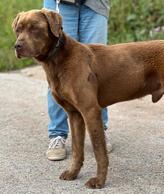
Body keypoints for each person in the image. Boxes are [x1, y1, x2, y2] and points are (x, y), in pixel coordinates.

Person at [43, 0, 112, 161]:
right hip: (59, 2)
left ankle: (100, 128)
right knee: (57, 69)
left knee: (98, 68)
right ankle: (57, 134)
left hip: (95, 4)